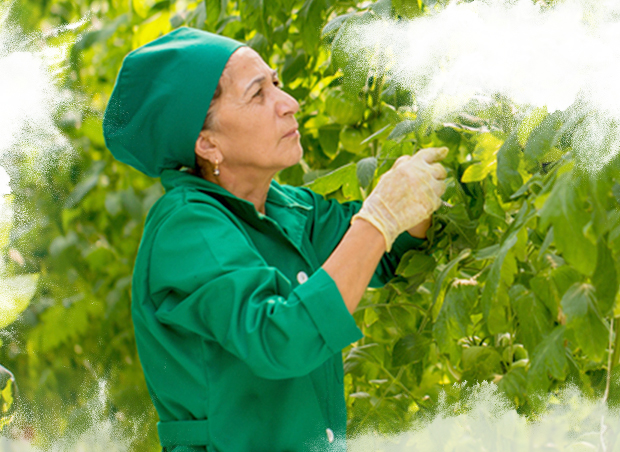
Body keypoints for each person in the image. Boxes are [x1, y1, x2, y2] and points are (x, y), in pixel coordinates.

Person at [103, 27, 447, 452]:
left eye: (277, 84)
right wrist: (379, 218)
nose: (289, 105)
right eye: (257, 94)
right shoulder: (187, 230)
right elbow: (280, 338)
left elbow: (386, 255)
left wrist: (414, 201)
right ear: (207, 144)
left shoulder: (284, 207)